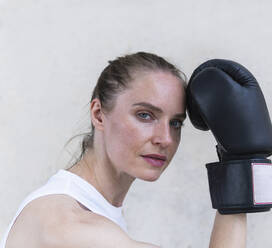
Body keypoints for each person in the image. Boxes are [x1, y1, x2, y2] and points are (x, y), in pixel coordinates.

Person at [1, 52, 247, 248]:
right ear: (99, 115)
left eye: (175, 123)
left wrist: (238, 165)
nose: (166, 139)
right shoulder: (65, 222)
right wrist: (241, 168)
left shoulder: (95, 209)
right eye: (145, 115)